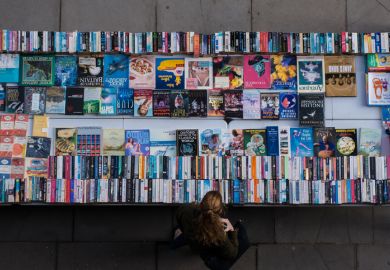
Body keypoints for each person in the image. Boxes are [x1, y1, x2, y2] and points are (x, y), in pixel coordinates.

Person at [172, 191, 250, 270]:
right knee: (243, 241)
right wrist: (232, 231)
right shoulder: (220, 233)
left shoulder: (187, 209)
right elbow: (232, 254)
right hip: (204, 247)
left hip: (191, 236)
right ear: (220, 211)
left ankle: (174, 242)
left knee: (182, 239)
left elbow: (178, 216)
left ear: (202, 202)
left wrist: (183, 229)